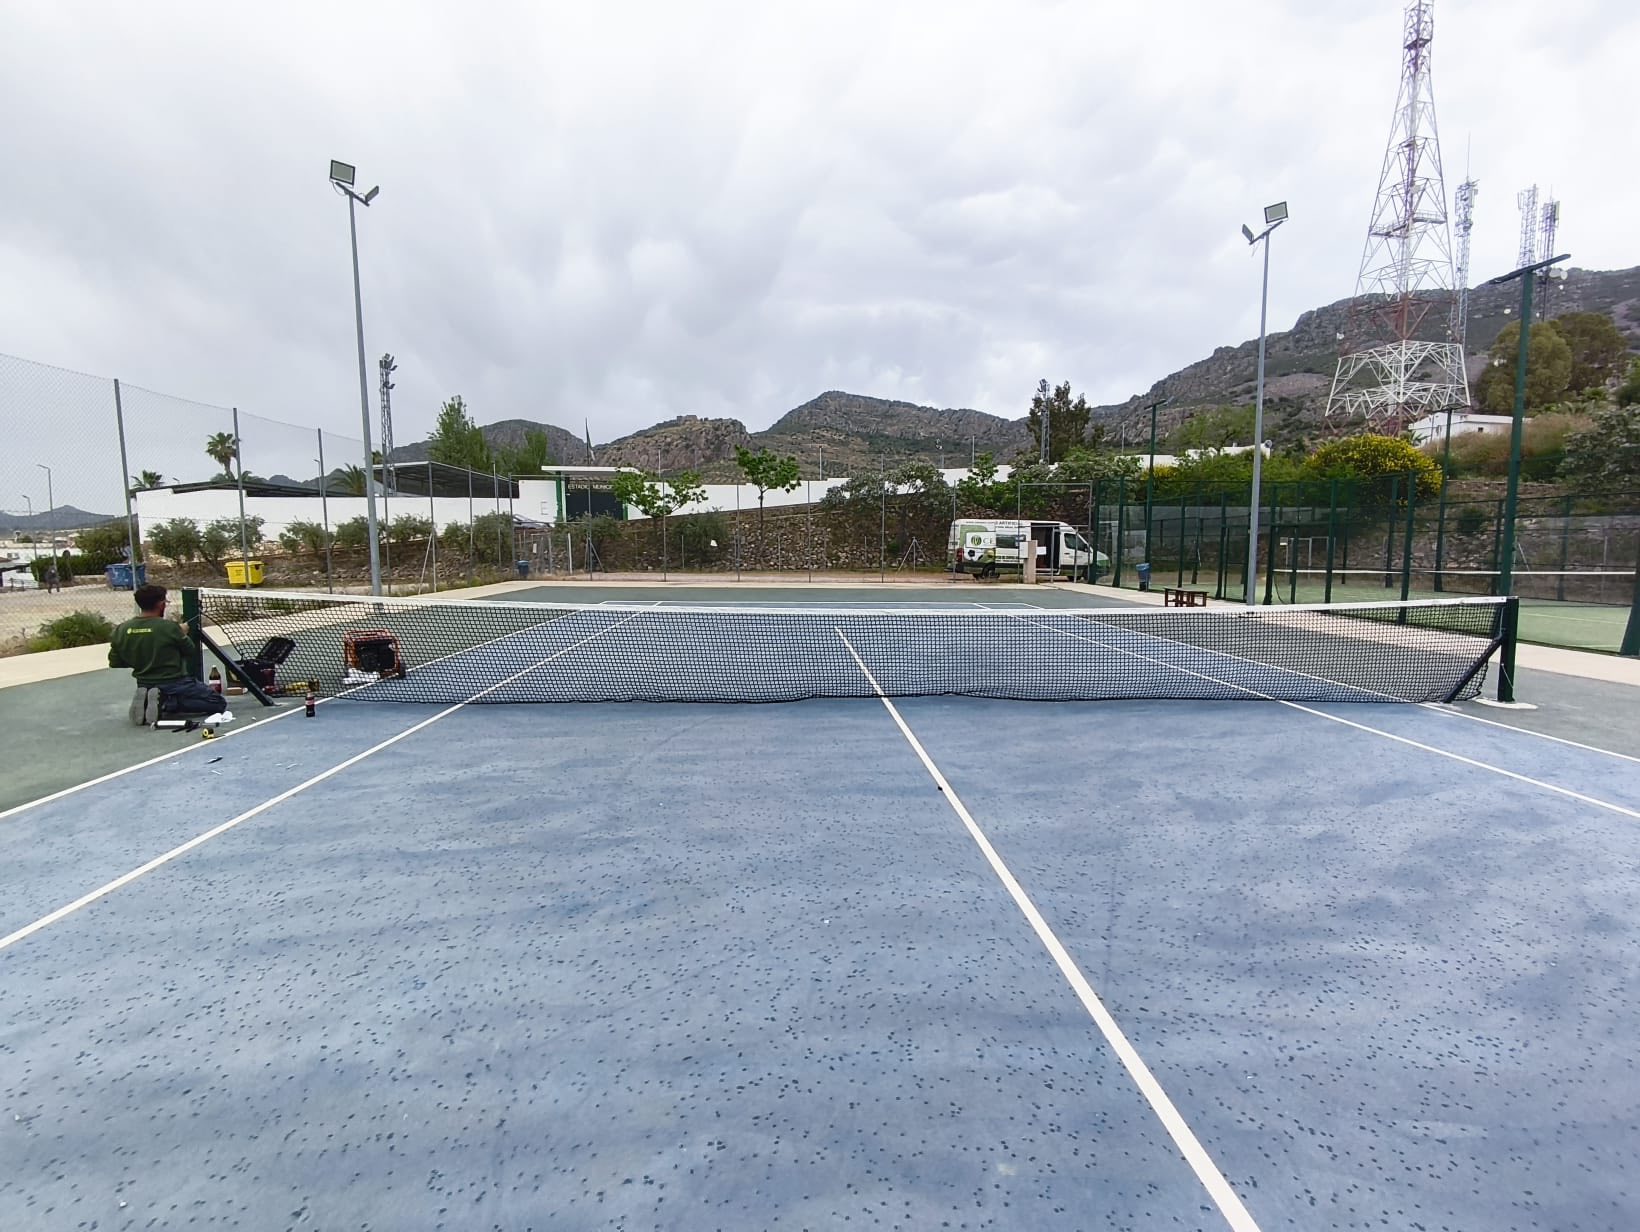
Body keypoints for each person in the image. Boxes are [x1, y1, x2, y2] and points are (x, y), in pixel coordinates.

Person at [109, 584, 229, 725]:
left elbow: (115, 662)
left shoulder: (121, 629)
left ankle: (153, 698)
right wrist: (183, 634)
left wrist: (139, 660)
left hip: (143, 681)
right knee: (218, 702)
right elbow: (190, 651)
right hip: (176, 681)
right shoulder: (169, 628)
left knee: (160, 689)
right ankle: (167, 704)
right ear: (161, 604)